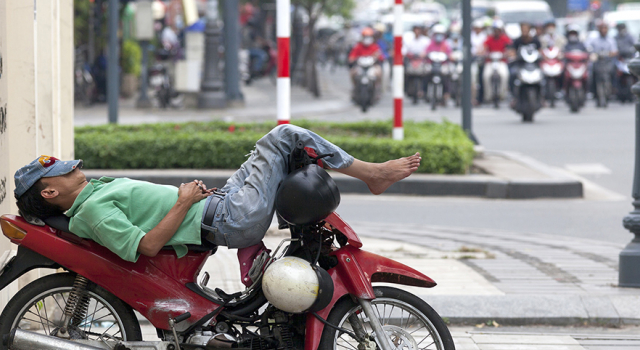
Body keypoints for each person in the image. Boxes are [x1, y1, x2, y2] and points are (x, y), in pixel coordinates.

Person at [14, 126, 422, 267]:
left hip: (222, 205)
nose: (71, 167)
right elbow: (146, 247)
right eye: (60, 171)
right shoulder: (94, 210)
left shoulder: (93, 193)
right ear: (50, 191)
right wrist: (182, 202)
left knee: (279, 149)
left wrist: (189, 200)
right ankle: (372, 173)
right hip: (228, 218)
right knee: (282, 137)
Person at [348, 27, 385, 100]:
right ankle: (354, 87)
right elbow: (352, 56)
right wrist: (352, 59)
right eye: (365, 37)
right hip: (360, 66)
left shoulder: (374, 46)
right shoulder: (358, 46)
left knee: (379, 72)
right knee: (352, 73)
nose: (367, 39)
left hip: (372, 66)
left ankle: (377, 89)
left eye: (369, 37)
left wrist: (378, 57)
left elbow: (380, 56)